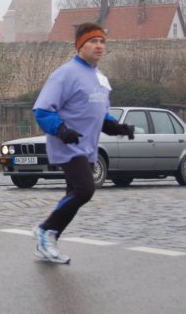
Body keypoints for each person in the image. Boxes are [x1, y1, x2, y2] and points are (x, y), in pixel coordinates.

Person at [32, 22, 134, 264]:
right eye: (93, 41)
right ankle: (45, 230)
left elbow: (101, 114)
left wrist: (117, 127)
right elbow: (42, 111)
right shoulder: (65, 74)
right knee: (84, 190)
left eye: (102, 42)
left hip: (88, 148)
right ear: (80, 46)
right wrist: (62, 130)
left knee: (75, 194)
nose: (99, 46)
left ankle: (49, 240)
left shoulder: (100, 78)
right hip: (67, 145)